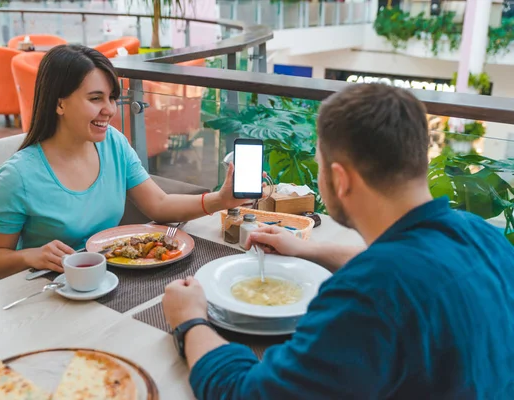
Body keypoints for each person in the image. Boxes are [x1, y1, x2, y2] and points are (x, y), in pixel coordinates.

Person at [162, 83, 514, 399]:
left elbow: (247, 392)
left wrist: (190, 320)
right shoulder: (480, 233)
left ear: (340, 179)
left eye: (318, 164)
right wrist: (307, 248)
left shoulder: (368, 296)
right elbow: (412, 266)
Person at [0, 45, 251, 280]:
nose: (109, 109)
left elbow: (159, 205)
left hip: (111, 280)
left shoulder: (113, 144)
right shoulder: (18, 176)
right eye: (95, 98)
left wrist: (220, 200)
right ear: (59, 104)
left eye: (111, 98)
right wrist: (31, 256)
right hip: (48, 290)